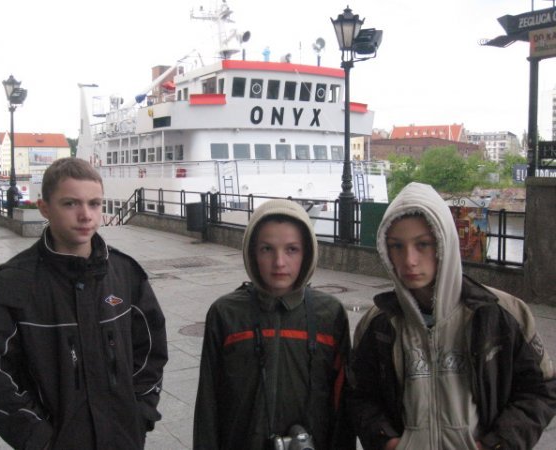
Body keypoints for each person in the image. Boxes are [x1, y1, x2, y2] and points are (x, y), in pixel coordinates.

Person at [0, 157, 168, 449]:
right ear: (45, 208)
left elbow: (151, 350)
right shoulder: (15, 282)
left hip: (123, 438)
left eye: (94, 204)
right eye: (70, 203)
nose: (85, 215)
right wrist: (39, 438)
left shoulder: (125, 274)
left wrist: (140, 412)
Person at [349, 182, 556, 450]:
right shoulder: (378, 324)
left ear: (444, 241)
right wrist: (387, 441)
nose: (409, 260)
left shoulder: (502, 314)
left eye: (423, 244)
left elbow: (541, 389)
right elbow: (360, 395)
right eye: (396, 246)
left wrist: (497, 444)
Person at [193, 199, 354, 450]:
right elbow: (208, 404)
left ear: (307, 253)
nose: (279, 262)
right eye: (267, 249)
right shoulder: (226, 313)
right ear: (252, 252)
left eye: (292, 249)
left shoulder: (330, 314)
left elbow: (343, 405)